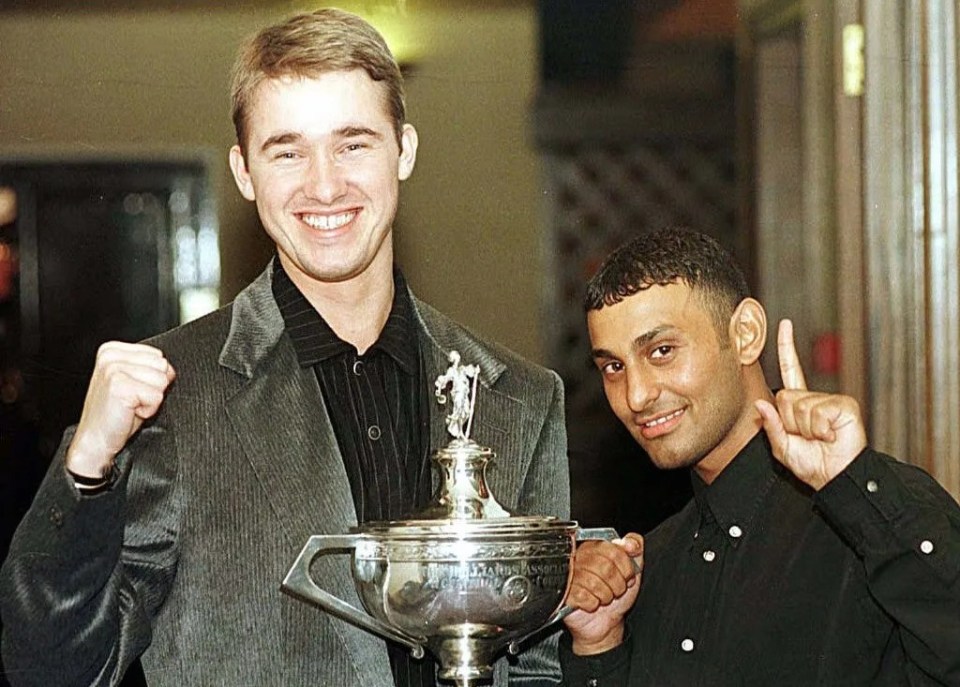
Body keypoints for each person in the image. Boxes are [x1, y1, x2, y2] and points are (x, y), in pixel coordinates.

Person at [0, 9, 569, 687]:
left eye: (353, 144)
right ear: (244, 171)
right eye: (287, 150)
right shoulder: (175, 402)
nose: (324, 184)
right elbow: (53, 666)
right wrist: (86, 465)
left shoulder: (520, 397)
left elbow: (539, 666)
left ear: (404, 149)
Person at [560, 227, 960, 686]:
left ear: (746, 335)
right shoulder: (653, 566)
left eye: (662, 351)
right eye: (614, 367)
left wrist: (860, 489)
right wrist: (598, 645)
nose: (636, 394)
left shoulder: (867, 521)